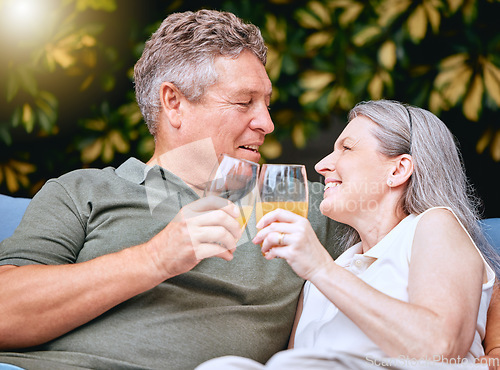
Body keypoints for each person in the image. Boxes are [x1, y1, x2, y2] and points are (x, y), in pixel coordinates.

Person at [0, 10, 342, 370]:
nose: (267, 123)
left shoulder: (295, 201)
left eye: (267, 104)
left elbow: (400, 206)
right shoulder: (85, 189)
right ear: (174, 103)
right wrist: (156, 259)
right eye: (244, 102)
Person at [196, 100, 499, 370]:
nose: (321, 165)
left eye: (347, 148)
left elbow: (440, 350)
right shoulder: (337, 268)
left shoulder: (433, 224)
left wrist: (319, 268)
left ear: (398, 170)